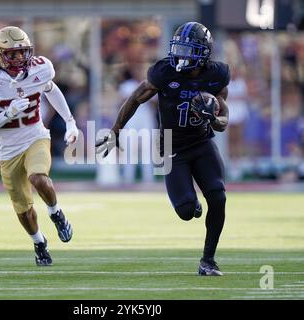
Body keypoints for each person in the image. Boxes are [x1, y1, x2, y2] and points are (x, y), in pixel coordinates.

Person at [96, 22, 230, 276]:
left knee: (219, 197)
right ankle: (192, 204)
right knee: (186, 211)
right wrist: (115, 130)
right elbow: (136, 97)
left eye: (188, 50)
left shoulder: (217, 75)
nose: (181, 56)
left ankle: (208, 260)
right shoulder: (164, 72)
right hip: (172, 148)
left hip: (202, 143)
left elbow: (224, 121)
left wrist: (213, 118)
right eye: (179, 48)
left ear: (203, 53)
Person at [0, 26, 79, 266]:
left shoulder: (39, 69)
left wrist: (70, 122)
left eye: (23, 52)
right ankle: (39, 242)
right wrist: (7, 114)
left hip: (35, 136)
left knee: (38, 178)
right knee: (24, 210)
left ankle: (56, 213)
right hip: (8, 150)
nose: (20, 58)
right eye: (13, 53)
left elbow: (51, 89)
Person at [118, 68, 157, 184]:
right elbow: (121, 102)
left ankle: (149, 180)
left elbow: (155, 104)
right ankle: (128, 179)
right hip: (131, 120)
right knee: (129, 151)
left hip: (146, 120)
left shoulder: (152, 85)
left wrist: (144, 96)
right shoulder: (127, 85)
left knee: (147, 152)